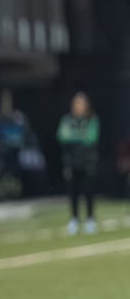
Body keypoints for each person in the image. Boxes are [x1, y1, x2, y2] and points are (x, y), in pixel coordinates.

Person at [57, 92, 100, 235]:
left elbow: (91, 138)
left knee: (88, 193)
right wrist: (80, 135)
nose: (78, 106)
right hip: (72, 163)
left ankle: (90, 220)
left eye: (81, 103)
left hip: (87, 164)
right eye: (76, 103)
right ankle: (74, 220)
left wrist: (74, 135)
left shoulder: (91, 120)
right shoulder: (67, 120)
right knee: (73, 193)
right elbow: (62, 136)